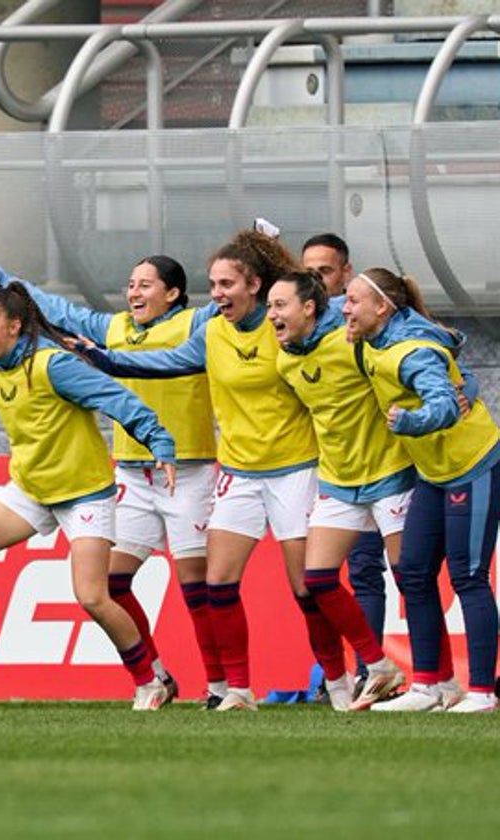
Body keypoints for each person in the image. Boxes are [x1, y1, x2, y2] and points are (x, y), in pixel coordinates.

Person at [79, 229, 341, 711]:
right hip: (233, 472)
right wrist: (103, 358)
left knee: (311, 587)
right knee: (208, 584)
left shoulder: (284, 326)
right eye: (214, 285)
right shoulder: (213, 332)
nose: (217, 293)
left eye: (225, 284)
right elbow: (165, 362)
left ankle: (345, 679)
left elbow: (339, 326)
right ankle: (224, 688)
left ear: (257, 287)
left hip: (283, 469)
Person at [0, 282, 178, 709]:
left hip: (85, 494)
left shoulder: (54, 366)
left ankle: (150, 680)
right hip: (32, 489)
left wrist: (158, 442)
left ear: (14, 326)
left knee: (92, 596)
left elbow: (116, 399)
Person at [0, 259, 227, 708]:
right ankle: (155, 674)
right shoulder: (113, 328)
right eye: (130, 283)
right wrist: (17, 285)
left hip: (187, 472)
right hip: (133, 475)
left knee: (196, 587)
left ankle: (220, 687)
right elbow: (63, 311)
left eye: (146, 285)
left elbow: (237, 304)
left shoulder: (198, 322)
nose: (134, 291)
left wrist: (261, 261)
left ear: (172, 293)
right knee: (111, 584)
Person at [344, 268, 500, 713]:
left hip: (472, 464)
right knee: (412, 571)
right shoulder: (375, 338)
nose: (345, 309)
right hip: (434, 472)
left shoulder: (412, 351)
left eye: (353, 302)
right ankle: (430, 685)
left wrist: (411, 422)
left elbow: (445, 405)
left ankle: (483, 692)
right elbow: (461, 373)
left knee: (468, 577)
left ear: (382, 307)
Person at [267, 269, 410, 710]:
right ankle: (377, 664)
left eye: (279, 306)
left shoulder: (352, 344)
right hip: (338, 480)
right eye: (270, 306)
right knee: (319, 579)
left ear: (309, 308)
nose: (271, 315)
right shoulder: (285, 361)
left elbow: (413, 365)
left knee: (413, 582)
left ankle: (436, 682)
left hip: (389, 473)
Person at [301, 233, 389, 697]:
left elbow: (426, 344)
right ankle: (353, 674)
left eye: (325, 272)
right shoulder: (292, 330)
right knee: (330, 578)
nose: (317, 281)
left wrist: (466, 389)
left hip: (385, 468)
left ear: (346, 273)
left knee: (390, 572)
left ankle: (431, 678)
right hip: (330, 473)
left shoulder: (364, 323)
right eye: (308, 272)